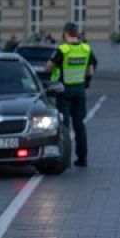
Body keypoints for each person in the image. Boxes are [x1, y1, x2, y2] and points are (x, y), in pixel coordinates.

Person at [45, 22, 95, 168]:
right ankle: (82, 159)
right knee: (80, 124)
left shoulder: (63, 49)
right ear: (77, 33)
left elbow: (49, 67)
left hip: (64, 91)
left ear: (65, 34)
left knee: (64, 125)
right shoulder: (86, 49)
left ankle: (65, 159)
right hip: (80, 90)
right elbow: (90, 72)